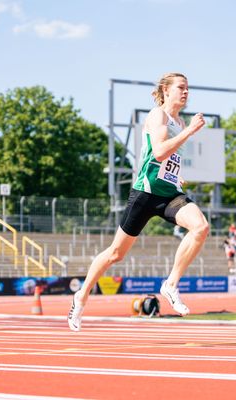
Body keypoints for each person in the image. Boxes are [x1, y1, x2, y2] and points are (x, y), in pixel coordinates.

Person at [68, 72, 208, 331]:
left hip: (169, 194)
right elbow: (159, 151)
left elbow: (167, 160)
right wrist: (189, 131)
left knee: (201, 227)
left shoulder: (179, 120)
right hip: (145, 193)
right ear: (166, 91)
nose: (186, 92)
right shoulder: (159, 116)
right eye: (180, 87)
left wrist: (177, 175)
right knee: (115, 254)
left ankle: (171, 285)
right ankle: (82, 295)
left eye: (188, 88)